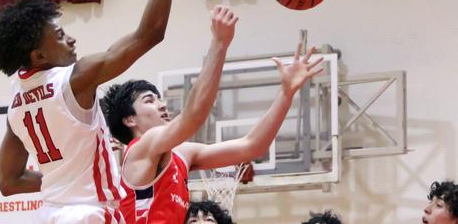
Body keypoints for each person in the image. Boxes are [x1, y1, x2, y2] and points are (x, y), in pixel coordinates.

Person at [0, 0, 180, 224]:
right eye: (59, 35)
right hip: (87, 214)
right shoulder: (76, 78)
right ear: (38, 55)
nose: (70, 38)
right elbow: (150, 34)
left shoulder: (16, 103)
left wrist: (63, 181)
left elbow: (9, 182)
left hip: (51, 215)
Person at [101, 21, 324, 224]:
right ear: (129, 119)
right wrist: (219, 45)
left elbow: (252, 146)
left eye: (160, 98)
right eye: (149, 101)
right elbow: (194, 115)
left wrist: (286, 93)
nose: (162, 105)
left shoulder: (183, 154)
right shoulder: (142, 147)